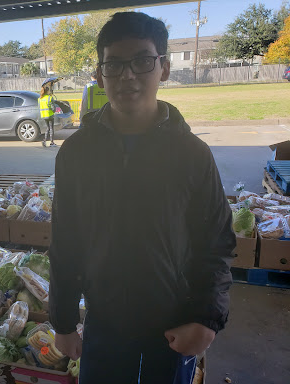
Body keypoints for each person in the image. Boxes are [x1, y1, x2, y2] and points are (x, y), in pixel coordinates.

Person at [49, 12, 236, 384]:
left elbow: (216, 244)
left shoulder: (192, 154)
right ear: (100, 74)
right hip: (104, 320)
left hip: (174, 321)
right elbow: (66, 242)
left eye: (142, 61)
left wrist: (205, 319)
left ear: (163, 68)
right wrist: (64, 321)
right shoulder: (76, 153)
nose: (127, 75)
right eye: (114, 64)